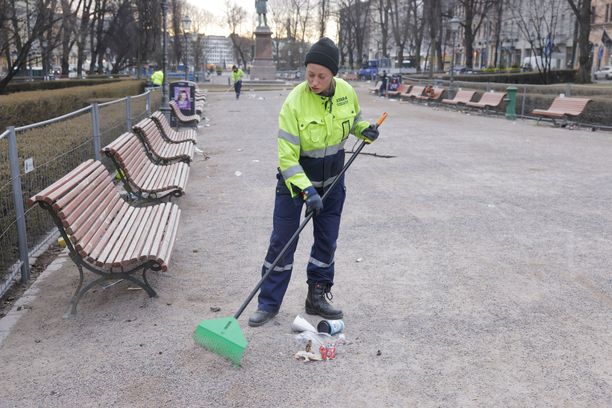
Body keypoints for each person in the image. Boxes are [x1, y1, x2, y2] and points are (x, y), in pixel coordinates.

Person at [248, 37, 380, 327]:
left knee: (326, 241)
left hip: (332, 183)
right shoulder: (294, 102)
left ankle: (317, 297)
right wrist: (307, 190)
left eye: (321, 76)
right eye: (310, 75)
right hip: (295, 185)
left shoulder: (346, 92)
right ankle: (268, 304)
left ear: (333, 73)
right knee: (283, 241)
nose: (315, 81)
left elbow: (354, 120)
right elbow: (286, 158)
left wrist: (364, 129)